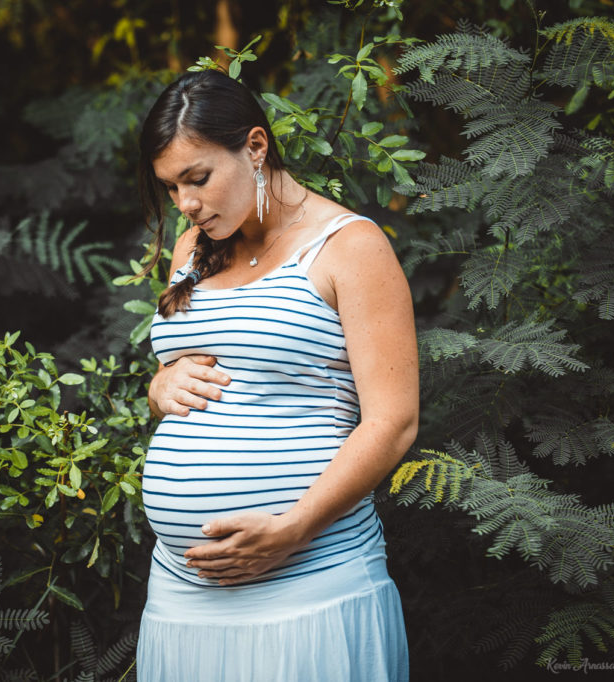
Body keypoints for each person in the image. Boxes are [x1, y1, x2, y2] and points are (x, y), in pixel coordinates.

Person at [133, 69, 418, 681]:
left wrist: (291, 530)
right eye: (171, 187)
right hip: (181, 597)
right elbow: (188, 366)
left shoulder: (349, 247)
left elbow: (393, 423)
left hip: (309, 585)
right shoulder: (194, 248)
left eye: (198, 178)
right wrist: (160, 387)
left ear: (255, 147)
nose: (185, 204)